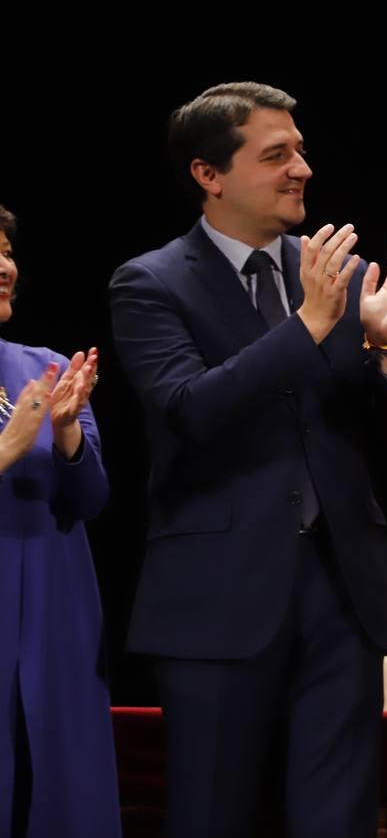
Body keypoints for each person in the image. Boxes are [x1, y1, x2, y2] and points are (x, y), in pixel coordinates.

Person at [108, 82, 387, 837]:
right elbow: (192, 411)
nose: (302, 169)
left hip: (341, 594)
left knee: (339, 818)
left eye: (301, 150)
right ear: (209, 175)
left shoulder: (340, 275)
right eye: (276, 154)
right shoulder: (150, 283)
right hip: (216, 598)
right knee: (213, 815)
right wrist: (311, 325)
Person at [0, 204, 119, 837]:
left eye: (8, 253)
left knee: (60, 785)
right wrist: (5, 450)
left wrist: (69, 432)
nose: (5, 266)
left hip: (56, 609)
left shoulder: (40, 366)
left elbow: (91, 499)